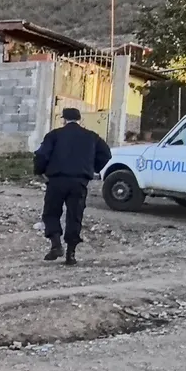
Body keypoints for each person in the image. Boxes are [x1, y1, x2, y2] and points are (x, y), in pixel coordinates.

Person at [33, 108, 112, 265]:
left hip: (57, 180)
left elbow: (41, 155)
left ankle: (56, 244)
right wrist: (92, 168)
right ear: (79, 119)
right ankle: (71, 254)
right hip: (79, 181)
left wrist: (39, 171)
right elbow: (106, 154)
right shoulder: (92, 137)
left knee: (51, 213)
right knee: (75, 215)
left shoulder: (54, 135)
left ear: (63, 120)